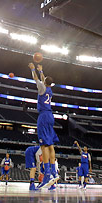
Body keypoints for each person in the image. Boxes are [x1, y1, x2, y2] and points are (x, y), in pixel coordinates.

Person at [29, 61, 59, 189]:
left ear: (45, 81)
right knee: (51, 145)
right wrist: (41, 70)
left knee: (44, 145)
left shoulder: (42, 88)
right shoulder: (49, 89)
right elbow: (43, 79)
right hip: (50, 115)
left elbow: (36, 79)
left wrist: (33, 69)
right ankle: (54, 172)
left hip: (43, 116)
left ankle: (47, 174)